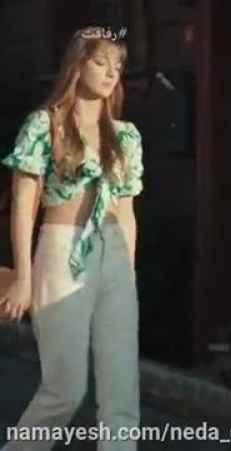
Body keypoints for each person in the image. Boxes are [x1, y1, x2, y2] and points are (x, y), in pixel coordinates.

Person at [0, 26, 143, 451]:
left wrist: (128, 273)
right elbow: (24, 206)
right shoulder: (44, 124)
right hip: (62, 249)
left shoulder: (126, 134)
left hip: (115, 255)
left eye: (117, 66)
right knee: (65, 388)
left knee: (121, 391)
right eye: (100, 62)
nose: (111, 73)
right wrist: (23, 277)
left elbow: (127, 212)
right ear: (77, 65)